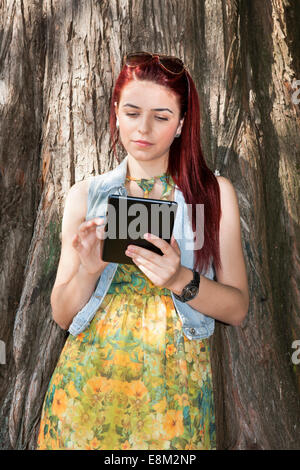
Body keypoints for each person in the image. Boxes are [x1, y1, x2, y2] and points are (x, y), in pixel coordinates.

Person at [36, 52, 249, 450]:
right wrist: (88, 269)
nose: (144, 128)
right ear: (116, 112)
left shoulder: (209, 196)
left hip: (173, 396)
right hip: (85, 391)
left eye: (162, 117)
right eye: (132, 112)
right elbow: (62, 315)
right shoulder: (87, 196)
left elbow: (237, 310)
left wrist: (178, 278)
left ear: (182, 124)